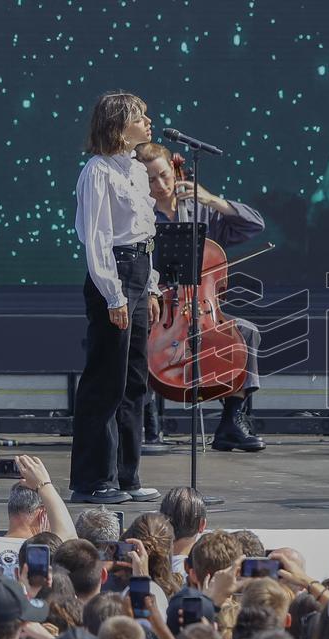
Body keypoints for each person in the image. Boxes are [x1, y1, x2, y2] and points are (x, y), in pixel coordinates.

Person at [135, 141, 266, 452]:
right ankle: (147, 425)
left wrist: (212, 199)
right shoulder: (139, 216)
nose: (161, 185)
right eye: (150, 180)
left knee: (247, 332)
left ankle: (232, 422)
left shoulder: (200, 210)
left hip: (202, 310)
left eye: (165, 175)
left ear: (174, 171)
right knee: (140, 339)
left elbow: (254, 224)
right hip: (160, 310)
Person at [71, 91, 162, 504]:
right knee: (106, 379)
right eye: (140, 117)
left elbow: (145, 234)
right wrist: (114, 294)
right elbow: (97, 238)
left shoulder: (137, 171)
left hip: (140, 273)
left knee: (135, 380)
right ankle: (94, 479)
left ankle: (127, 475)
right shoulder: (98, 171)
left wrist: (153, 285)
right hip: (115, 274)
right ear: (119, 127)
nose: (148, 122)